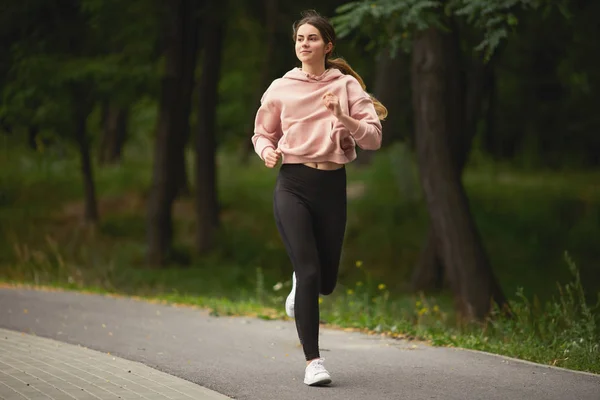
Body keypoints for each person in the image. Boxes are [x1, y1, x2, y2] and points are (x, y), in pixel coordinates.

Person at [251, 9, 387, 386]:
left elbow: (373, 137)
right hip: (292, 183)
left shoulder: (345, 86)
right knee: (309, 271)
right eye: (299, 38)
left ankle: (302, 283)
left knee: (324, 282)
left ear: (327, 46)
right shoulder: (280, 87)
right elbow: (261, 133)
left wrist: (344, 118)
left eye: (312, 38)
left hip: (331, 187)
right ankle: (313, 361)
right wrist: (266, 151)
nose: (304, 44)